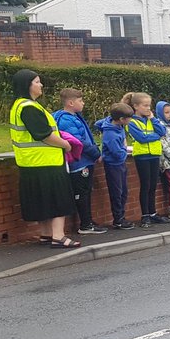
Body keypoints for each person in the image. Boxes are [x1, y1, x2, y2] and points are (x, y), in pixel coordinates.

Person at [9, 70, 77, 247]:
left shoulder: (19, 105)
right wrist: (66, 145)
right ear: (28, 85)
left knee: (42, 200)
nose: (41, 85)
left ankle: (46, 234)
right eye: (37, 82)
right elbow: (43, 134)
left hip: (30, 162)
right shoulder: (29, 107)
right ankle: (58, 236)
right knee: (57, 199)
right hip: (47, 162)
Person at [54, 88, 106, 234]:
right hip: (79, 162)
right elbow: (79, 141)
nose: (83, 103)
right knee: (82, 193)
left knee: (87, 191)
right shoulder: (66, 120)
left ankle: (88, 220)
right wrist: (96, 153)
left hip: (84, 161)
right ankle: (85, 224)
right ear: (71, 103)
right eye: (80, 100)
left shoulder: (74, 117)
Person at [122, 92, 168, 227]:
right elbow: (141, 138)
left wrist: (153, 119)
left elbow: (162, 131)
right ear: (136, 106)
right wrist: (156, 136)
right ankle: (145, 215)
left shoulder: (150, 120)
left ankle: (153, 213)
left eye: (149, 105)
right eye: (145, 106)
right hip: (142, 156)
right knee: (145, 185)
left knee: (153, 185)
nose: (148, 108)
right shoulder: (132, 122)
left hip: (154, 154)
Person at [96, 103, 135, 230]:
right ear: (122, 119)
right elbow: (117, 153)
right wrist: (125, 149)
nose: (131, 120)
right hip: (113, 165)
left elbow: (99, 123)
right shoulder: (111, 134)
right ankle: (118, 219)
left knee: (124, 191)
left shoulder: (117, 125)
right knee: (117, 192)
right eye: (129, 118)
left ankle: (121, 217)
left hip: (120, 165)